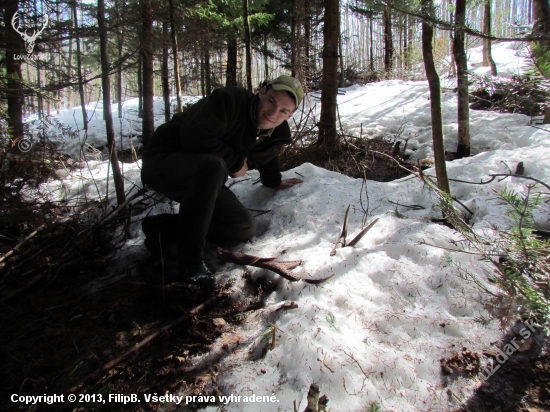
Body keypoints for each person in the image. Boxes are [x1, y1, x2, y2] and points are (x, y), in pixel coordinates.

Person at [141, 75, 304, 292]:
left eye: (284, 111)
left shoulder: (276, 133)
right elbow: (194, 135)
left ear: (290, 115)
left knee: (242, 226)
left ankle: (162, 228)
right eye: (272, 101)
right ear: (262, 91)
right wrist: (236, 162)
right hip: (163, 163)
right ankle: (190, 264)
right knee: (214, 166)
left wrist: (274, 181)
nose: (273, 113)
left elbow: (268, 155)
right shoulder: (230, 100)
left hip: (205, 178)